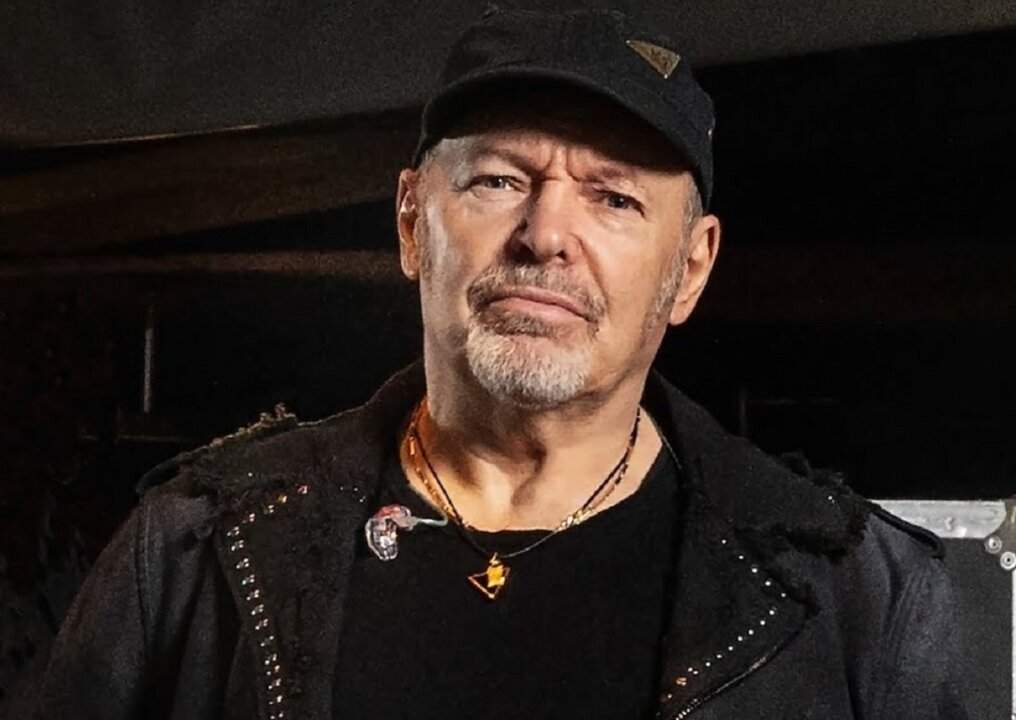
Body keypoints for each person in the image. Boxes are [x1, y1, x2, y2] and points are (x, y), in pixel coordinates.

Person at [33, 7, 968, 719]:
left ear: (689, 269)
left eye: (613, 199)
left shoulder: (853, 594)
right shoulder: (196, 544)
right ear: (412, 222)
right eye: (499, 180)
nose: (545, 234)